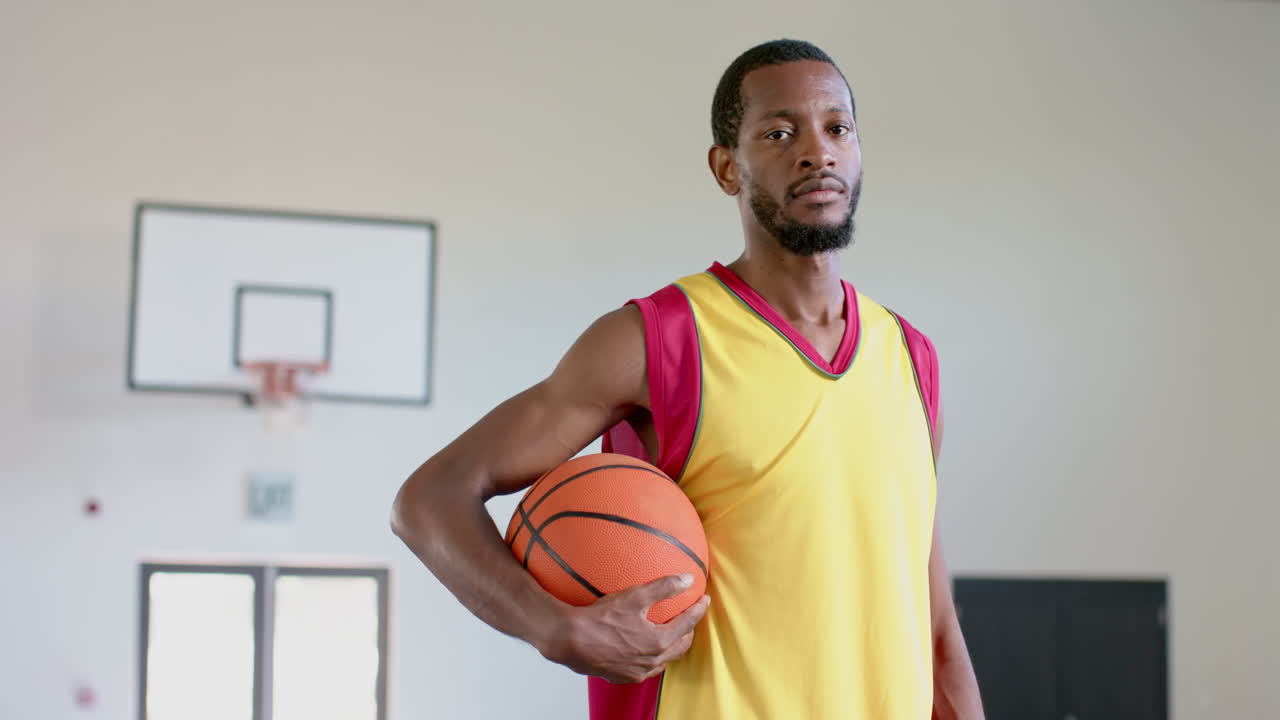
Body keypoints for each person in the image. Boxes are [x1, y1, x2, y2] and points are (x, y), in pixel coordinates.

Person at [392, 39, 985, 719]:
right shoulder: (657, 340)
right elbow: (428, 499)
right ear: (726, 168)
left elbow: (933, 613)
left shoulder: (911, 357)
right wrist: (549, 626)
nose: (817, 151)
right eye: (780, 132)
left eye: (837, 128)